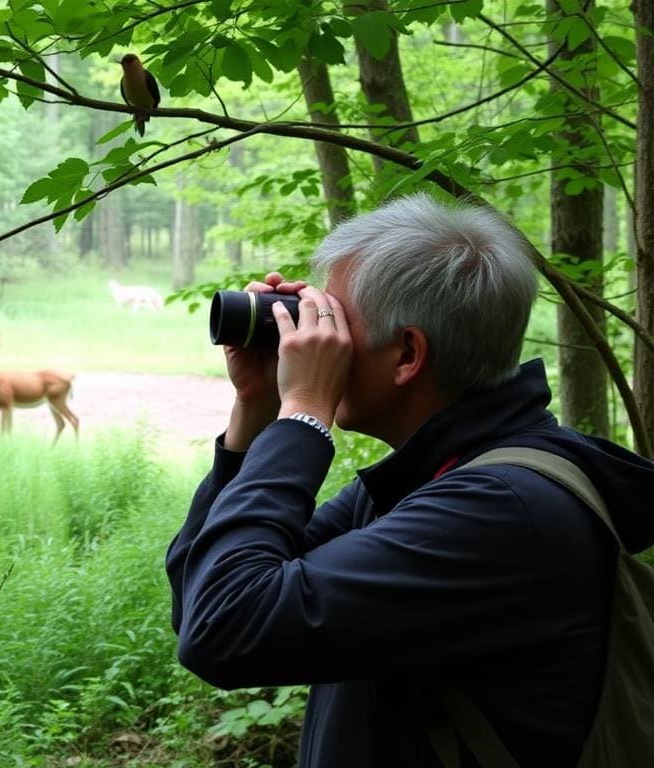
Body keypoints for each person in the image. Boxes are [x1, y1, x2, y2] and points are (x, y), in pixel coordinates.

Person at [166, 193, 654, 767]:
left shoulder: (504, 509)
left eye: (334, 321)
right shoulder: (423, 480)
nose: (318, 338)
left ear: (406, 353)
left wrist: (301, 414)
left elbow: (226, 628)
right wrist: (257, 406)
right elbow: (202, 597)